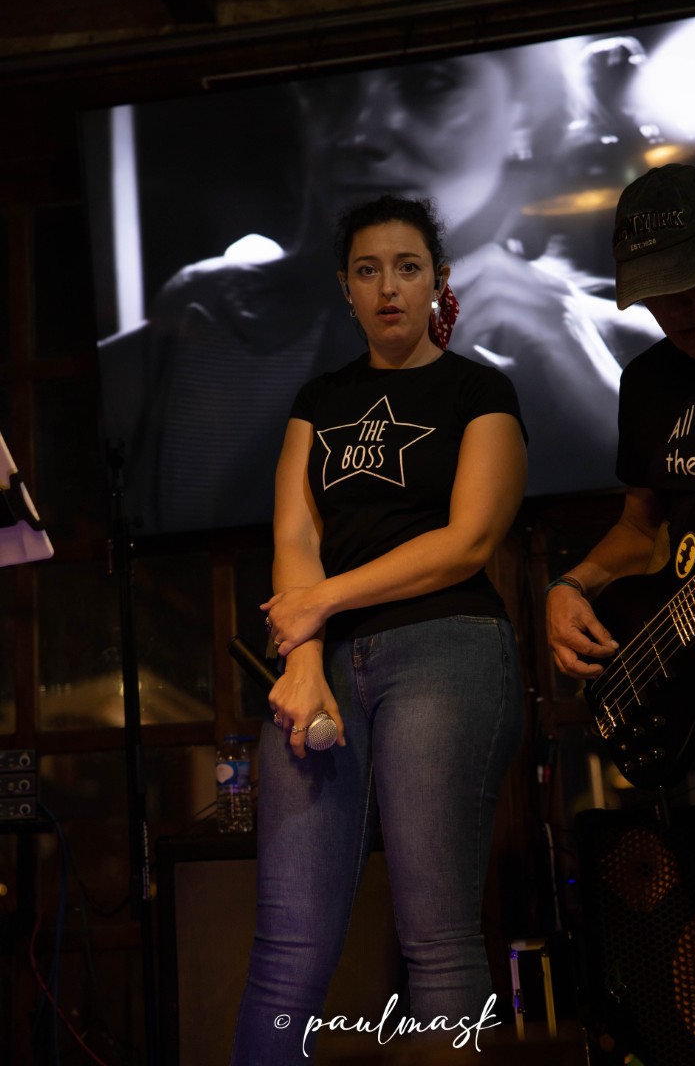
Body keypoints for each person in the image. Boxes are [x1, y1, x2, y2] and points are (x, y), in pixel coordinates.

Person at [98, 40, 661, 535]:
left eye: (429, 85)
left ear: (526, 114)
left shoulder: (629, 350)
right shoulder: (195, 331)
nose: (357, 133)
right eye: (331, 90)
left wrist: (603, 410)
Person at [229, 194, 528, 1064]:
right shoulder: (318, 399)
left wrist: (320, 604)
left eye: (407, 267)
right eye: (368, 271)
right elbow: (295, 537)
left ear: (439, 280)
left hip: (447, 647)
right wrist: (303, 663)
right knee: (285, 952)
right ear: (346, 289)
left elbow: (467, 542)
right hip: (322, 663)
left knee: (437, 940)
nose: (388, 287)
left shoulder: (480, 390)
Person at [546, 162, 695, 1023]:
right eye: (658, 299)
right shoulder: (648, 383)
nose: (679, 313)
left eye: (692, 284)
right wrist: (573, 584)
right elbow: (643, 530)